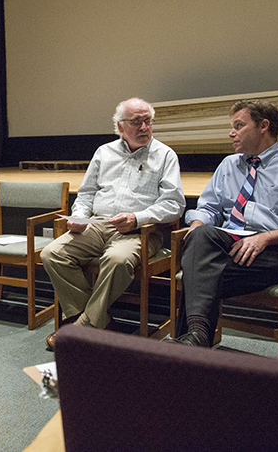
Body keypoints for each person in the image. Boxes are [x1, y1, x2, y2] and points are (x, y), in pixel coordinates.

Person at [169, 99, 278, 347]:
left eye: (239, 125)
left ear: (263, 126)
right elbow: (208, 207)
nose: (231, 133)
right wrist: (198, 224)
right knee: (199, 238)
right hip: (229, 248)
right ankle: (195, 340)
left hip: (275, 253)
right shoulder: (228, 165)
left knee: (196, 274)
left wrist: (265, 237)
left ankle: (189, 347)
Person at [41, 98, 185, 350]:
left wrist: (137, 218)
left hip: (141, 230)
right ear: (120, 126)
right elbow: (86, 194)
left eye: (148, 121)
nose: (144, 127)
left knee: (117, 259)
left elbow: (174, 204)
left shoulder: (165, 155)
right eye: (136, 122)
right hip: (97, 224)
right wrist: (79, 216)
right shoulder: (104, 152)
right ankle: (101, 321)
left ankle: (84, 326)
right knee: (52, 253)